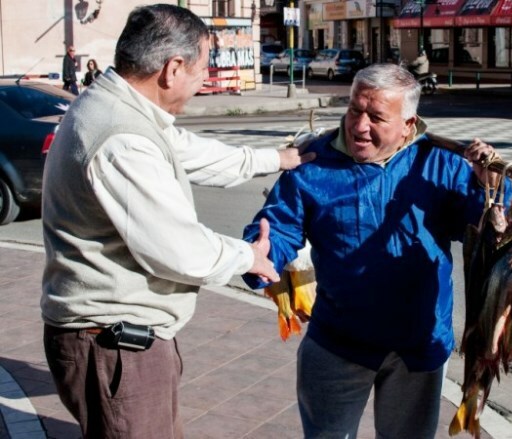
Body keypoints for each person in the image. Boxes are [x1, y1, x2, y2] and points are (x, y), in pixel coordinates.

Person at [41, 4, 313, 438]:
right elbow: (178, 249)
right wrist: (250, 256)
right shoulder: (122, 137)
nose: (205, 78)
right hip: (115, 344)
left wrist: (276, 159)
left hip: (121, 340)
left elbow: (190, 152)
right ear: (173, 68)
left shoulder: (121, 105)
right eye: (204, 68)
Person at [242, 63, 512, 438]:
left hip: (417, 347)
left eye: (376, 117)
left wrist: (492, 188)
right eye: (355, 109)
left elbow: (491, 231)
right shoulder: (312, 162)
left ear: (407, 123)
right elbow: (280, 225)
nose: (359, 126)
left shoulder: (440, 163)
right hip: (337, 341)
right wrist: (261, 250)